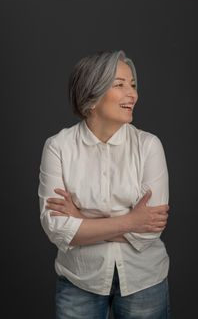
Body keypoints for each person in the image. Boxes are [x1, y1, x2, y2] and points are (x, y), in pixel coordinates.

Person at [38, 50, 171, 319]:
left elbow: (150, 231)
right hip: (79, 281)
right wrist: (131, 221)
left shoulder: (149, 146)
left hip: (144, 280)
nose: (132, 94)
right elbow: (57, 229)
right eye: (119, 85)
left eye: (132, 85)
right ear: (91, 96)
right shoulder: (58, 148)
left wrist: (82, 220)